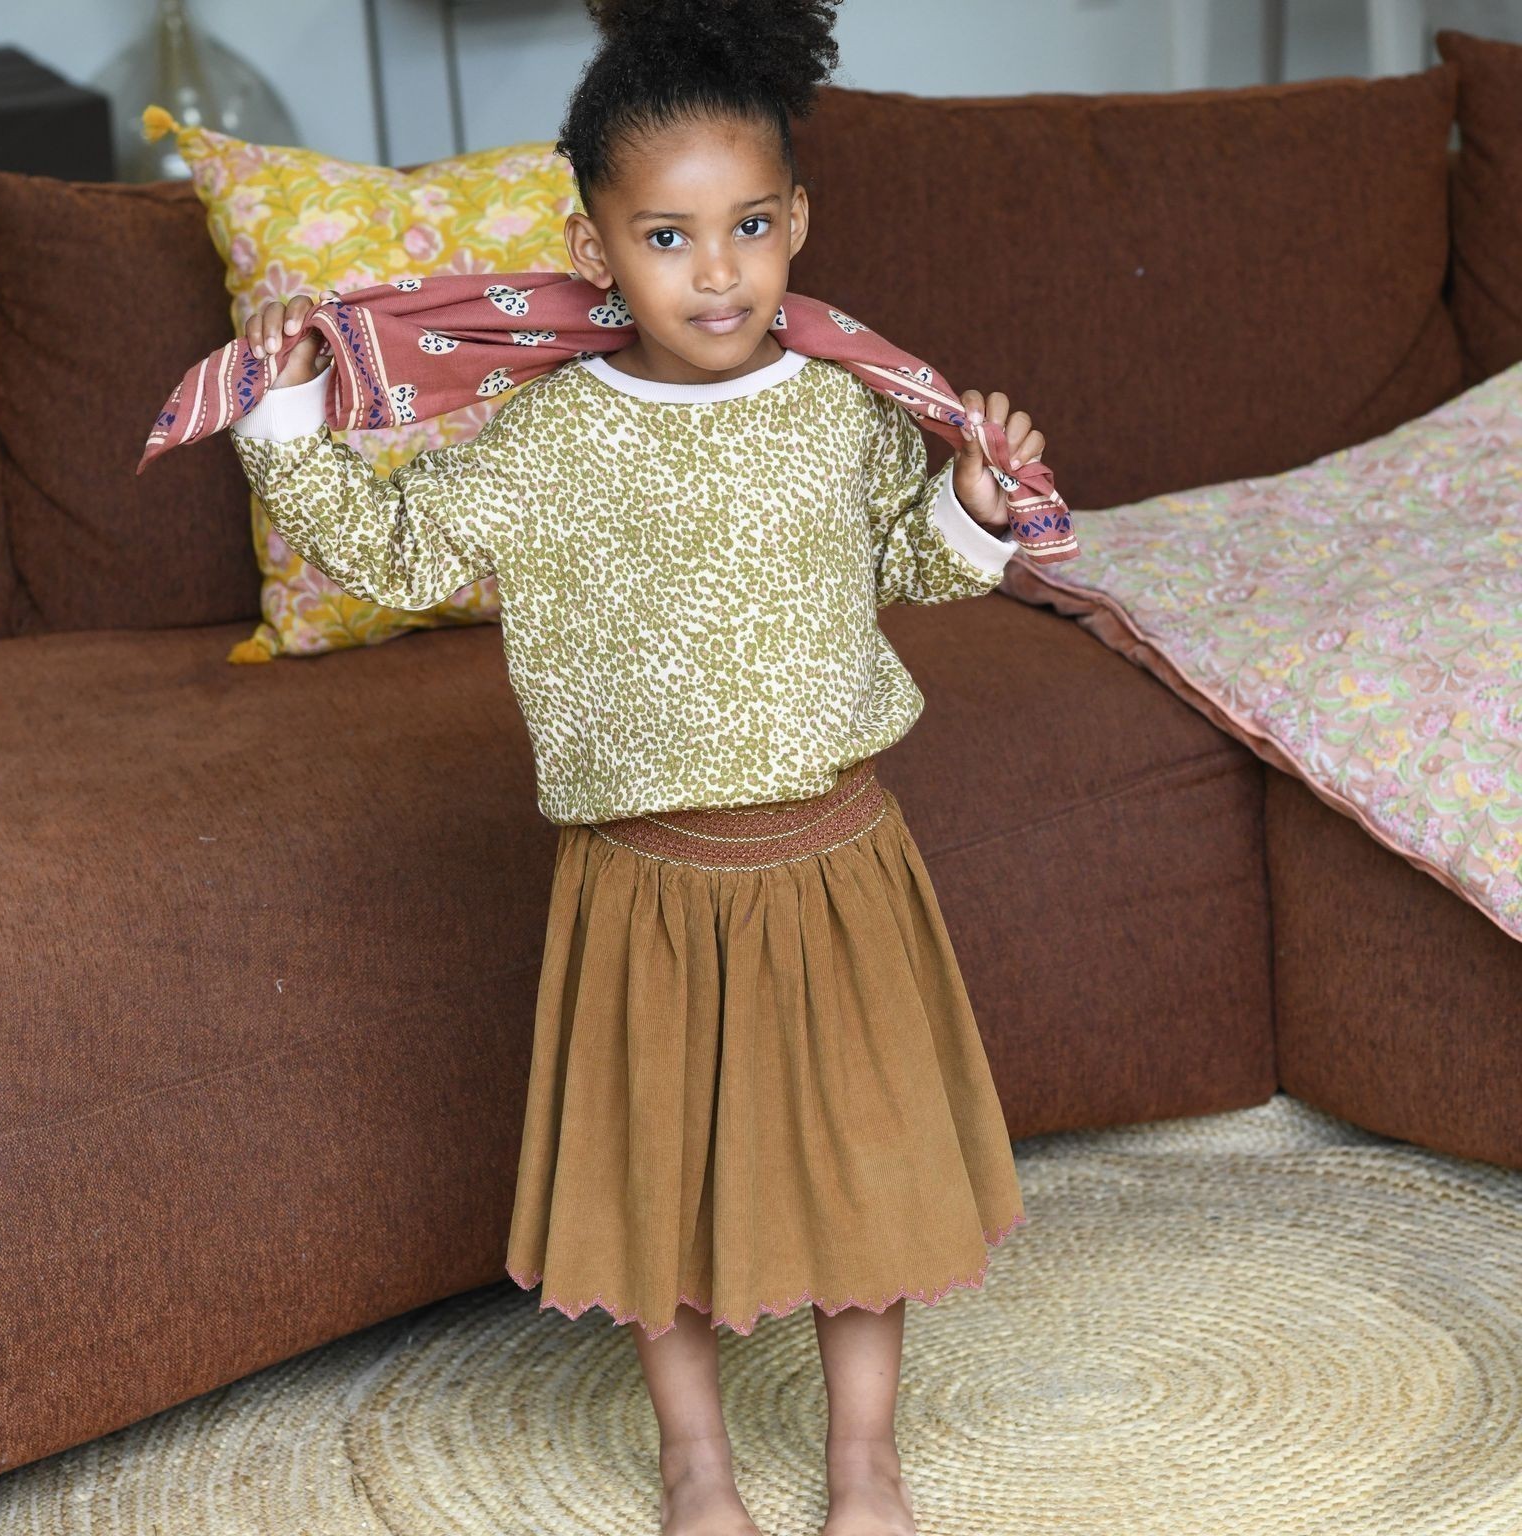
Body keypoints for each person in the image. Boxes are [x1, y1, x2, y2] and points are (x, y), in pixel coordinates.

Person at [228, 2, 1048, 1530]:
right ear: (591, 247)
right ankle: (695, 1462)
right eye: (667, 237)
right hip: (648, 888)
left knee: (867, 1172)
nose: (717, 271)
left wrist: (975, 508)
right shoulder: (548, 438)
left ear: (798, 222)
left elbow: (908, 565)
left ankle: (865, 1459)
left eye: (750, 227)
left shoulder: (844, 410)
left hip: (837, 866)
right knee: (661, 1187)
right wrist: (285, 423)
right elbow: (397, 552)